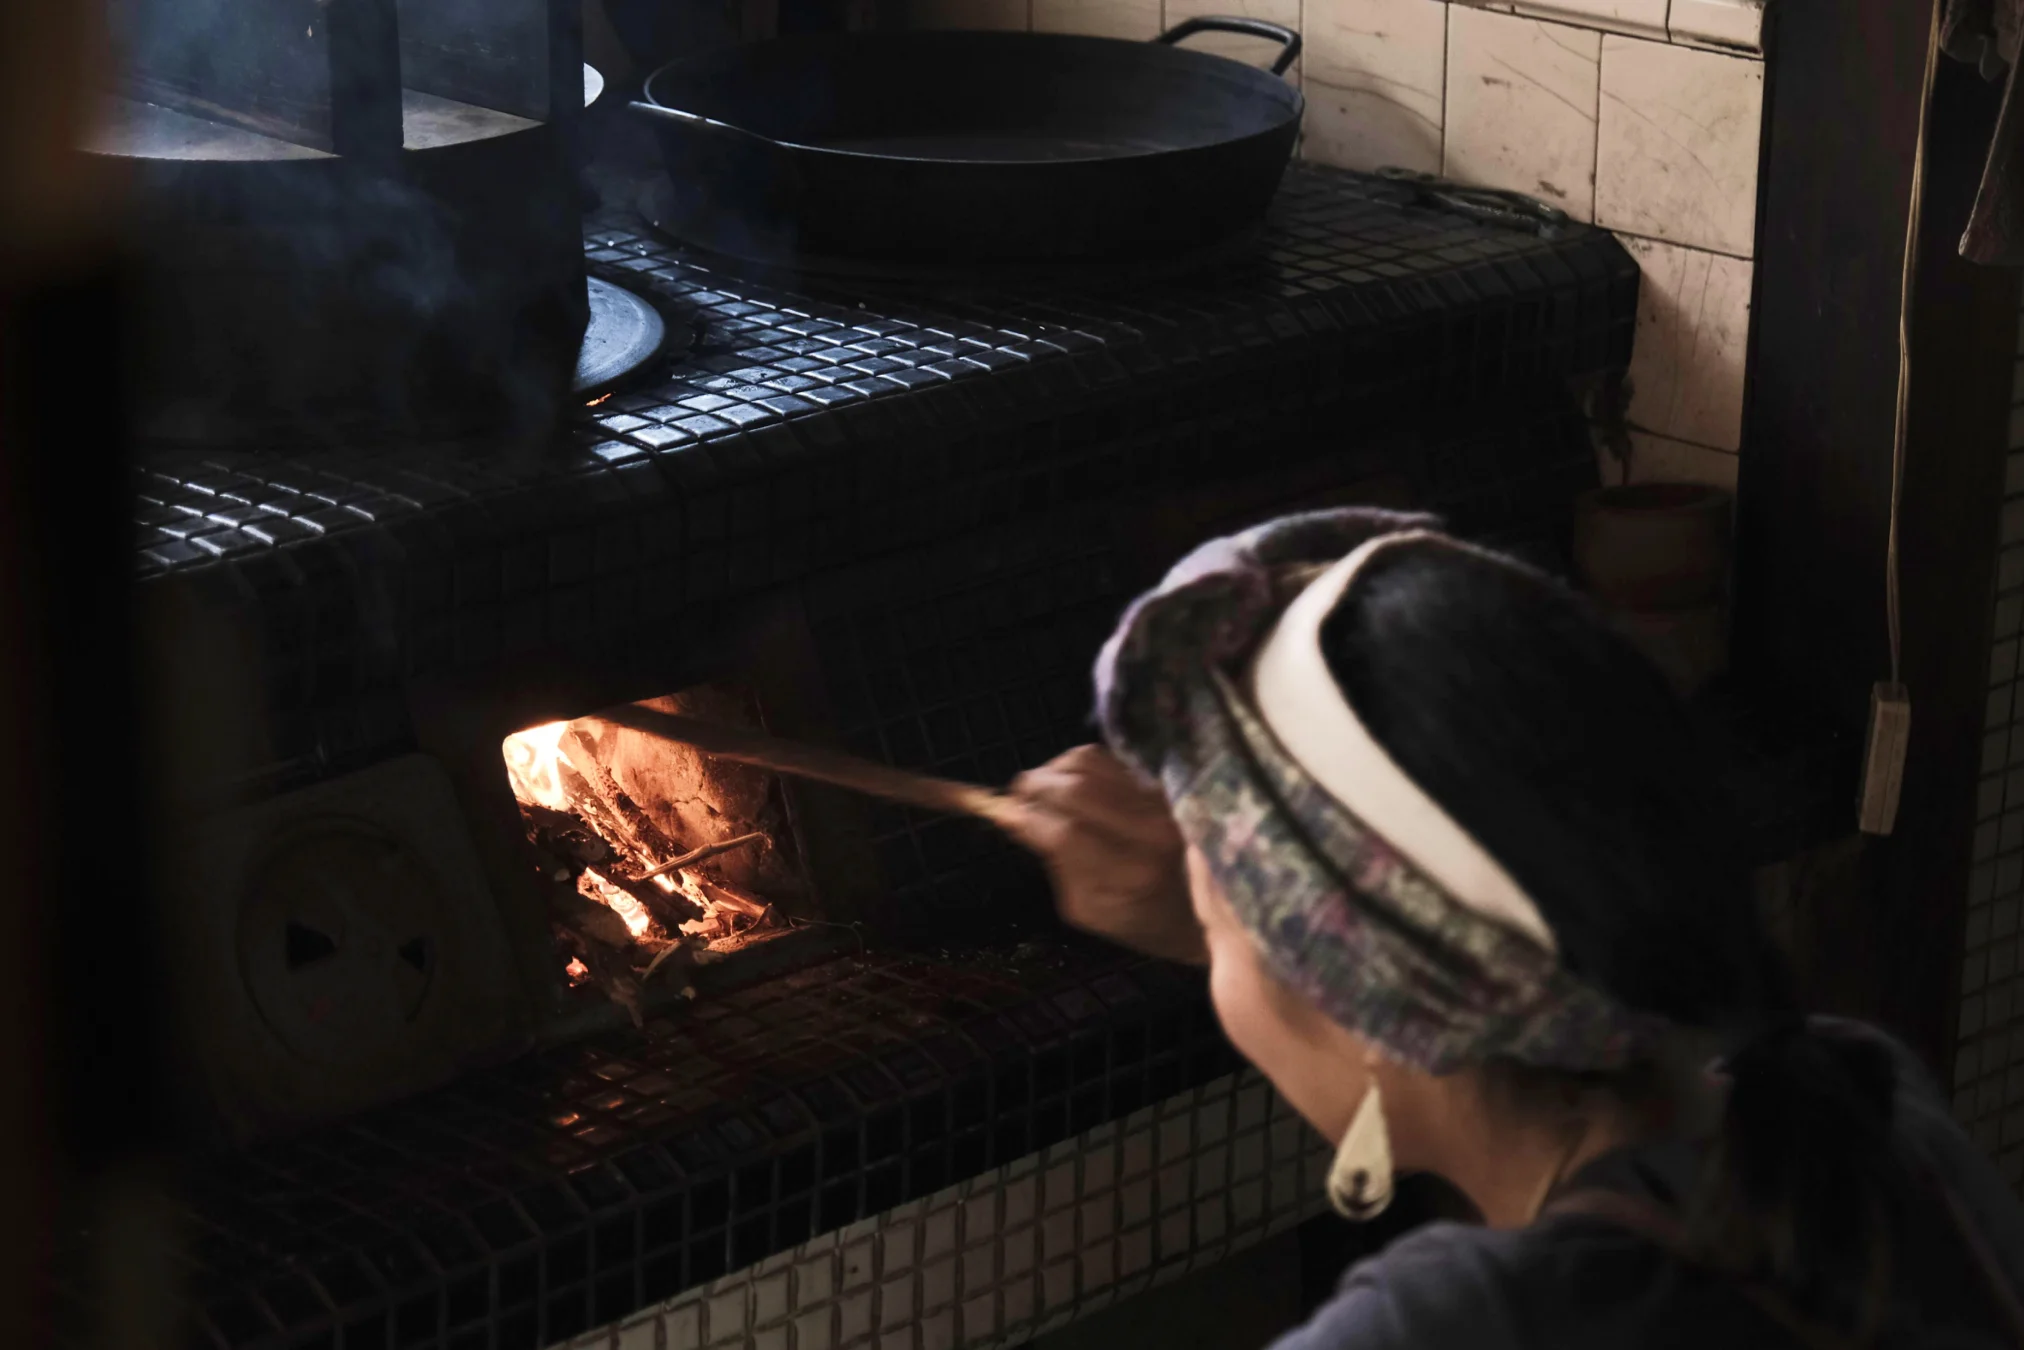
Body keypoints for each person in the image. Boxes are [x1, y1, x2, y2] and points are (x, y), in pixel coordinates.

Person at [998, 507, 2024, 1348]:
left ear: (1368, 1004)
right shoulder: (1864, 1111)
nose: (1209, 943)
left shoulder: (1448, 1330)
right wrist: (1253, 931)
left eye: (1219, 922)